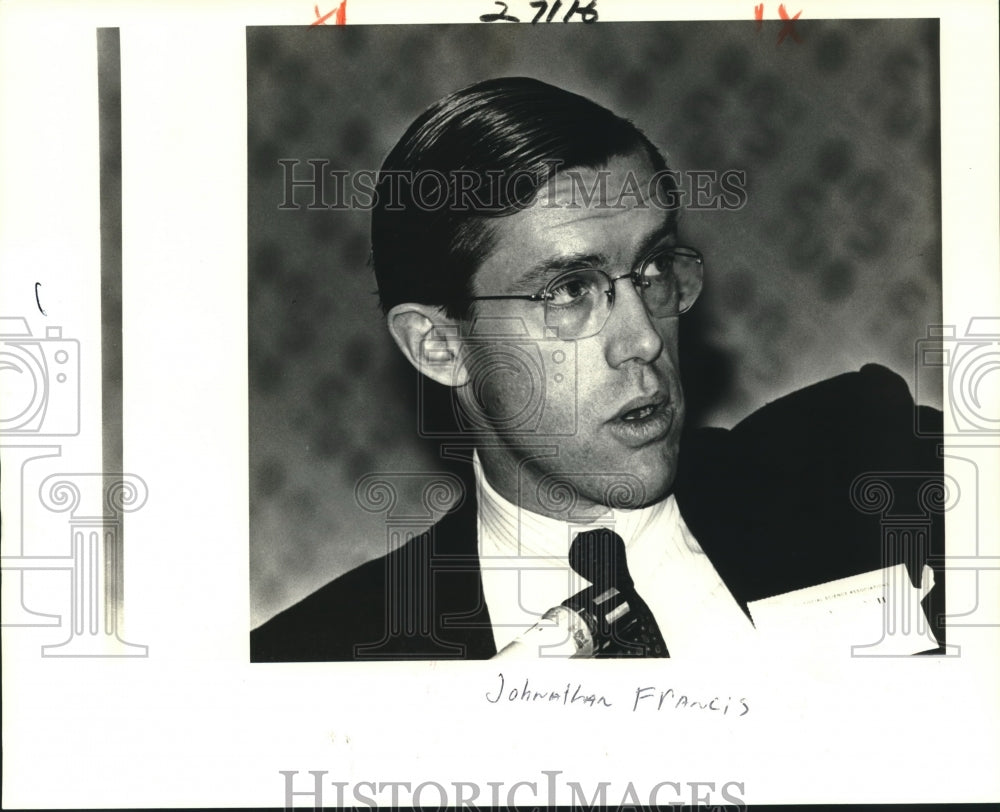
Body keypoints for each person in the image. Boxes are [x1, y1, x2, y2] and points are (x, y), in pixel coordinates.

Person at [250, 77, 944, 662]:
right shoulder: (309, 662)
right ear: (439, 345)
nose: (642, 339)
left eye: (651, 270)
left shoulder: (875, 469)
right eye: (568, 291)